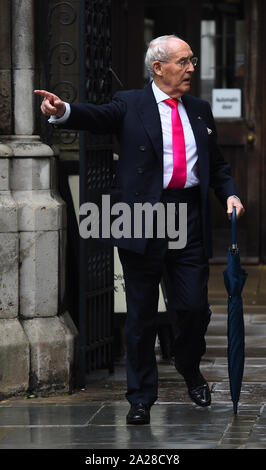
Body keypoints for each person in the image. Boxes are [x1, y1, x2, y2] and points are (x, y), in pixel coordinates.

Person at [35, 35, 245, 425]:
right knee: (141, 314)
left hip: (188, 218)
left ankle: (188, 366)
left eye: (192, 61)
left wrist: (229, 194)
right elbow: (96, 116)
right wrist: (63, 110)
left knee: (194, 308)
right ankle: (141, 397)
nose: (191, 69)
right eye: (184, 61)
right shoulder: (131, 103)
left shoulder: (199, 109)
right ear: (158, 67)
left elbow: (216, 165)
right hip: (142, 217)